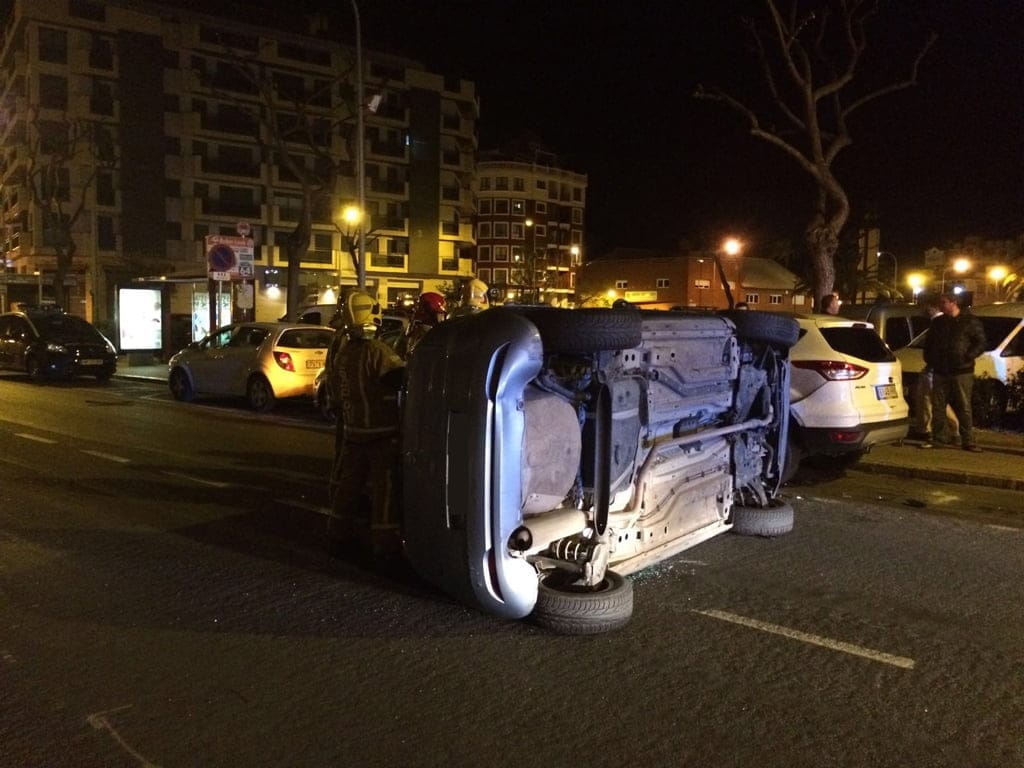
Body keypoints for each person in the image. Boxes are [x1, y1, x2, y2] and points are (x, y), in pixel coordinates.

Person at [326, 290, 406, 557]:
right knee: (385, 490)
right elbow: (402, 379)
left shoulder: (344, 355)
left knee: (349, 486)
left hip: (354, 433)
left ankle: (337, 533)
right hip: (381, 435)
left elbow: (336, 393)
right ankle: (384, 545)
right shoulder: (379, 352)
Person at [921, 292, 986, 452]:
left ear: (953, 303)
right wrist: (930, 359)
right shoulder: (939, 323)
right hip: (941, 369)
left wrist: (967, 356)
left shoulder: (969, 321)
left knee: (963, 405)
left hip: (961, 370)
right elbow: (929, 342)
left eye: (943, 302)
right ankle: (940, 438)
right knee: (938, 405)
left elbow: (981, 342)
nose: (940, 306)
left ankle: (968, 440)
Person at [395, 291, 446, 359]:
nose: (441, 317)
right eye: (440, 314)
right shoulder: (429, 332)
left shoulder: (418, 329)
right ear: (431, 311)